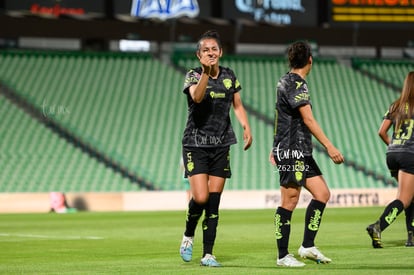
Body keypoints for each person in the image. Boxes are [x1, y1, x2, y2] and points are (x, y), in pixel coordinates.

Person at [179, 30, 253, 267]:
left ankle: (208, 253)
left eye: (214, 49)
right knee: (200, 198)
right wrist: (205, 74)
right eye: (205, 50)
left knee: (213, 201)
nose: (211, 53)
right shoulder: (192, 76)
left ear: (220, 52)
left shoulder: (230, 75)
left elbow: (237, 104)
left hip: (222, 144)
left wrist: (246, 126)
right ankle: (188, 234)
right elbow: (198, 98)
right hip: (195, 144)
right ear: (198, 55)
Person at [269, 41, 344, 267]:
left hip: (299, 149)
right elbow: (308, 119)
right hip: (292, 151)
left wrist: (275, 147)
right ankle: (283, 256)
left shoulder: (286, 80)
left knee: (322, 193)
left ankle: (308, 246)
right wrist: (330, 146)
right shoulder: (297, 84)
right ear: (310, 60)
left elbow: (280, 118)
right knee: (289, 200)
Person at [367, 71, 414, 248]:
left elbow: (381, 131)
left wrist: (394, 145)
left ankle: (411, 237)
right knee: (404, 199)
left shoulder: (396, 105)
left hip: (392, 153)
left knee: (410, 196)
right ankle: (378, 226)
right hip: (410, 155)